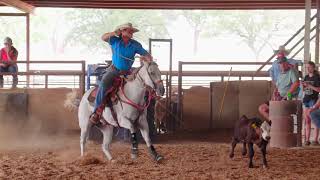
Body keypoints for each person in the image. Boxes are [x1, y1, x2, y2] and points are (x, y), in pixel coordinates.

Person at [90, 23, 153, 124]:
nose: (131, 33)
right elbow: (103, 37)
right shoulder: (115, 40)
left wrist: (147, 58)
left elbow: (147, 54)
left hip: (128, 72)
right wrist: (114, 33)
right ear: (122, 31)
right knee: (103, 85)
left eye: (132, 31)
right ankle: (96, 112)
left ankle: (142, 114)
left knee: (143, 87)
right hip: (114, 71)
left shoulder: (135, 44)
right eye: (128, 30)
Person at [259, 51, 300, 121]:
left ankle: (277, 125)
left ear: (287, 63)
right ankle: (273, 123)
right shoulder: (280, 74)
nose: (282, 65)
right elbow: (277, 87)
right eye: (280, 63)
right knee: (262, 108)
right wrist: (272, 98)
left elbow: (296, 83)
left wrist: (288, 94)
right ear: (279, 64)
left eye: (284, 62)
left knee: (279, 109)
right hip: (278, 98)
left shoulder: (292, 71)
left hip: (287, 98)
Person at [302, 61, 320, 145]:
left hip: (313, 99)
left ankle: (315, 139)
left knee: (314, 119)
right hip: (306, 99)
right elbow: (304, 90)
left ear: (313, 67)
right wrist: (303, 86)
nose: (308, 68)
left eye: (309, 67)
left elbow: (318, 90)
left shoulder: (317, 77)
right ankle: (307, 139)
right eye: (307, 67)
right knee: (307, 120)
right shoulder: (306, 77)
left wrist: (309, 86)